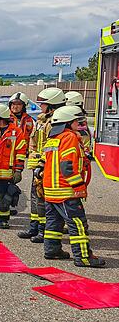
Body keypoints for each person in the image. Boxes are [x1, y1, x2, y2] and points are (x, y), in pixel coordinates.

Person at [41, 106, 105, 267]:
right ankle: (83, 257)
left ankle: (52, 250)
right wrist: (79, 187)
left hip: (51, 190)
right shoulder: (69, 137)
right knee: (77, 224)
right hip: (65, 190)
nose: (80, 123)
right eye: (77, 121)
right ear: (68, 123)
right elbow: (67, 166)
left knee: (53, 223)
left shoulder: (54, 138)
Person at [18, 87, 67, 241]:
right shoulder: (41, 120)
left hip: (47, 167)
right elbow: (33, 141)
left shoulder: (55, 123)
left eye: (43, 104)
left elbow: (52, 147)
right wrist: (34, 158)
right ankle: (34, 227)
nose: (41, 106)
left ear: (52, 105)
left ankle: (43, 230)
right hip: (38, 166)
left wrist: (42, 163)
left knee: (43, 200)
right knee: (35, 198)